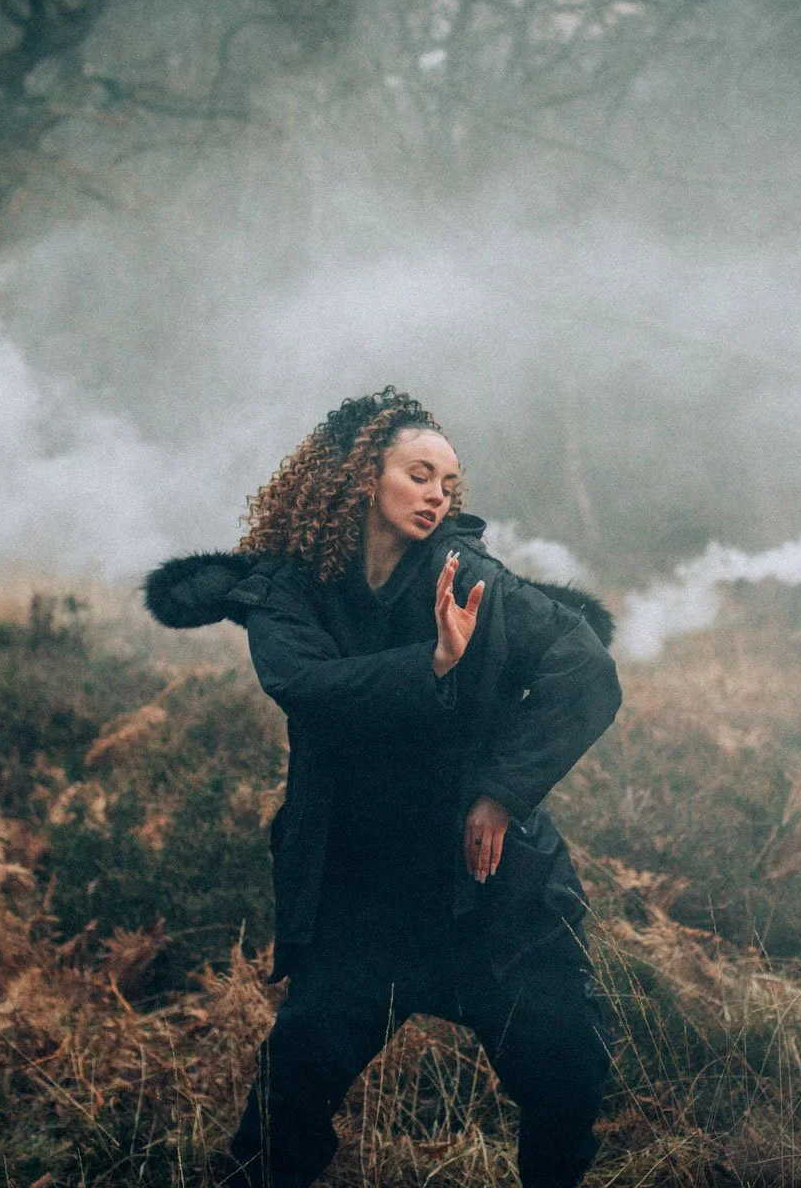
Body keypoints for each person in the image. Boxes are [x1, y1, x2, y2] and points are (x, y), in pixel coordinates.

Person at [143, 388, 622, 1188]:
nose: (438, 493)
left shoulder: (471, 576)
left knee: (566, 1066)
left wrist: (501, 792)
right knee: (293, 1086)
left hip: (484, 881)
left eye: (449, 483)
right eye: (420, 473)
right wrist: (430, 664)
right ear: (365, 476)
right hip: (362, 888)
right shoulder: (291, 588)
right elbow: (304, 684)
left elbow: (588, 672)